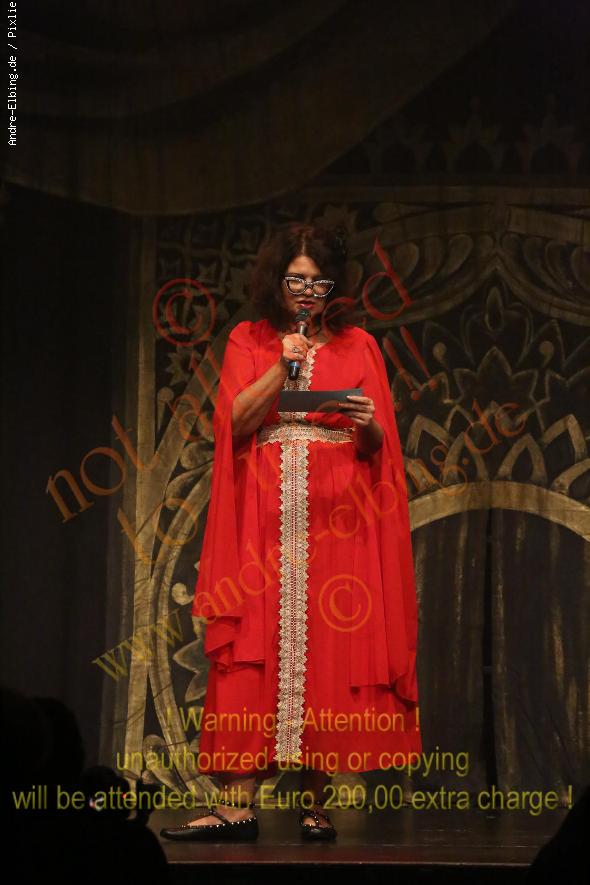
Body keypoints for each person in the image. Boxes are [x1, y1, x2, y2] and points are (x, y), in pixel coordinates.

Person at [161, 223, 421, 842]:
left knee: (329, 642)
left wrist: (365, 422)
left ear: (334, 287)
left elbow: (379, 445)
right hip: (265, 513)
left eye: (317, 282)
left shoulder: (360, 346)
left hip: (337, 515)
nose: (306, 292)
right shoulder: (248, 340)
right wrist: (284, 363)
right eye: (296, 280)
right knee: (252, 645)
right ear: (275, 282)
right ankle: (238, 805)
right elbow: (235, 421)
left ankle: (316, 804)